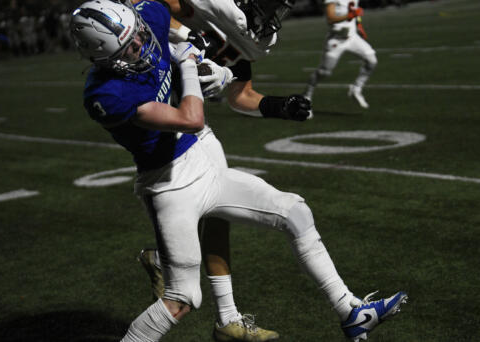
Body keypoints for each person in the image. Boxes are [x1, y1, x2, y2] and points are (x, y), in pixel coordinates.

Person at [70, 1, 407, 342]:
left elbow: (168, 23)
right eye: (129, 49)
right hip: (170, 185)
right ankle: (161, 271)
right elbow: (191, 118)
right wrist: (189, 62)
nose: (141, 47)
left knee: (295, 211)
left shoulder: (152, 18)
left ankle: (350, 311)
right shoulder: (105, 94)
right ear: (102, 59)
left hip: (204, 157)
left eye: (139, 36)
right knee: (182, 300)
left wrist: (207, 59)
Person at [133, 0, 311, 340]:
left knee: (217, 212)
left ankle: (227, 318)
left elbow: (239, 94)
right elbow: (148, 8)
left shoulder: (237, 25)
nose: (274, 12)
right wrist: (190, 35)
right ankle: (166, 263)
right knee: (183, 291)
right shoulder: (210, 6)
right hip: (155, 104)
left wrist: (277, 106)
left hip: (190, 120)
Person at [302, 0, 377, 109]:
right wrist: (350, 15)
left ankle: (356, 89)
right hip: (336, 40)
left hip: (352, 38)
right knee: (324, 72)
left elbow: (353, 12)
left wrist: (359, 25)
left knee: (372, 61)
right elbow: (330, 18)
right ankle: (306, 96)